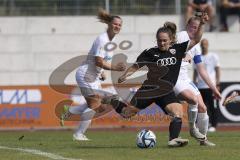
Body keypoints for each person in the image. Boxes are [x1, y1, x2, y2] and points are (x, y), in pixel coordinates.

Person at [112, 14, 208, 147]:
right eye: (159, 41)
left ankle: (173, 139)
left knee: (178, 112)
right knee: (127, 113)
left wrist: (202, 24)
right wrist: (125, 75)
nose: (161, 43)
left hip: (166, 91)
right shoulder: (150, 52)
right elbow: (136, 66)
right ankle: (113, 100)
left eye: (164, 40)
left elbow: (196, 39)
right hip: (149, 90)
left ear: (171, 40)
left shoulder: (178, 49)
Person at [60, 9, 126, 141]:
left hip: (94, 77)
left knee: (100, 107)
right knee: (94, 106)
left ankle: (69, 111)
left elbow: (100, 61)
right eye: (115, 24)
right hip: (86, 76)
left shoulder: (111, 43)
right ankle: (78, 134)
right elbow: (98, 61)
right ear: (109, 24)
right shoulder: (102, 39)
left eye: (119, 25)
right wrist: (115, 68)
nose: (117, 26)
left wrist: (101, 72)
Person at [174, 19, 221, 146]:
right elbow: (170, 52)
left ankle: (203, 140)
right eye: (192, 26)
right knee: (192, 99)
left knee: (203, 108)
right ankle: (192, 129)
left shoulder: (197, 47)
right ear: (187, 25)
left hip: (186, 79)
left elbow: (202, 70)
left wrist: (215, 89)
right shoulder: (181, 35)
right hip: (174, 78)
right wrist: (183, 56)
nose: (194, 29)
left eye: (197, 27)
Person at [193, 39, 221, 133]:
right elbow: (195, 72)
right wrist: (194, 83)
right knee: (201, 107)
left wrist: (217, 83)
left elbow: (217, 70)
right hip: (200, 87)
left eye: (205, 44)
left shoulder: (213, 56)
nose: (204, 46)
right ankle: (202, 125)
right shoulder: (197, 57)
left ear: (208, 45)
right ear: (200, 45)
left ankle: (213, 125)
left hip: (211, 86)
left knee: (213, 107)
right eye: (202, 44)